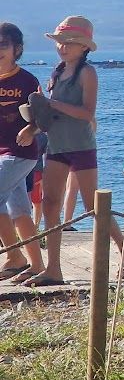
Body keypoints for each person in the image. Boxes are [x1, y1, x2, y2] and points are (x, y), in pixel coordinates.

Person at [18, 16, 124, 286]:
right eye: (60, 42)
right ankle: (54, 268)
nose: (63, 47)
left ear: (84, 47)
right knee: (49, 204)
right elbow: (50, 115)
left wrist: (54, 104)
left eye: (69, 43)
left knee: (94, 207)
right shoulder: (57, 73)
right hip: (57, 146)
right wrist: (32, 129)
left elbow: (87, 113)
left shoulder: (87, 73)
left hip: (82, 147)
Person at [0, 23, 44, 284]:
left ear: (17, 49)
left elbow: (44, 118)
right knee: (19, 210)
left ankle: (14, 257)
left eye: (3, 45)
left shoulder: (27, 80)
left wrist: (30, 129)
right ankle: (36, 264)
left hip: (21, 152)